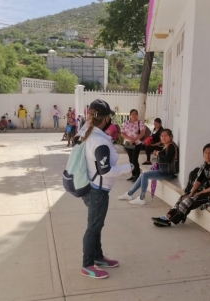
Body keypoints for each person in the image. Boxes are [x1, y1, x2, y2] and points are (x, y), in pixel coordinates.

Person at [80, 99, 133, 279]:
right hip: (97, 191)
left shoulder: (88, 134)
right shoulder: (98, 141)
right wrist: (128, 167)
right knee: (93, 228)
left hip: (93, 188)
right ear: (105, 119)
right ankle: (87, 265)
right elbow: (105, 171)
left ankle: (98, 257)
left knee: (96, 226)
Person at [152, 143, 210, 227]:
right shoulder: (205, 165)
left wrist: (199, 193)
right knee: (183, 197)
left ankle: (169, 219)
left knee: (188, 201)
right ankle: (167, 216)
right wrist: (191, 193)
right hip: (204, 191)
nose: (207, 155)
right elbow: (198, 180)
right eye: (205, 152)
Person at [118, 129, 179, 205]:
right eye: (162, 136)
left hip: (168, 173)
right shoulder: (167, 145)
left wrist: (158, 153)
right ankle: (129, 194)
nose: (163, 138)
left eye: (166, 136)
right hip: (164, 171)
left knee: (144, 175)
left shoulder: (171, 146)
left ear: (170, 137)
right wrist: (158, 153)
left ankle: (141, 198)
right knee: (142, 175)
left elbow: (167, 158)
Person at [120, 109, 145, 182]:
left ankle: (138, 176)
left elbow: (142, 133)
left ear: (137, 115)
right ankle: (133, 175)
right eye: (132, 114)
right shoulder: (126, 123)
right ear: (130, 115)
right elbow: (122, 133)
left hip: (136, 144)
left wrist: (134, 139)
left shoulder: (140, 123)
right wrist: (129, 138)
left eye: (135, 114)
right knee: (130, 160)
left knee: (134, 160)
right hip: (128, 144)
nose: (134, 115)